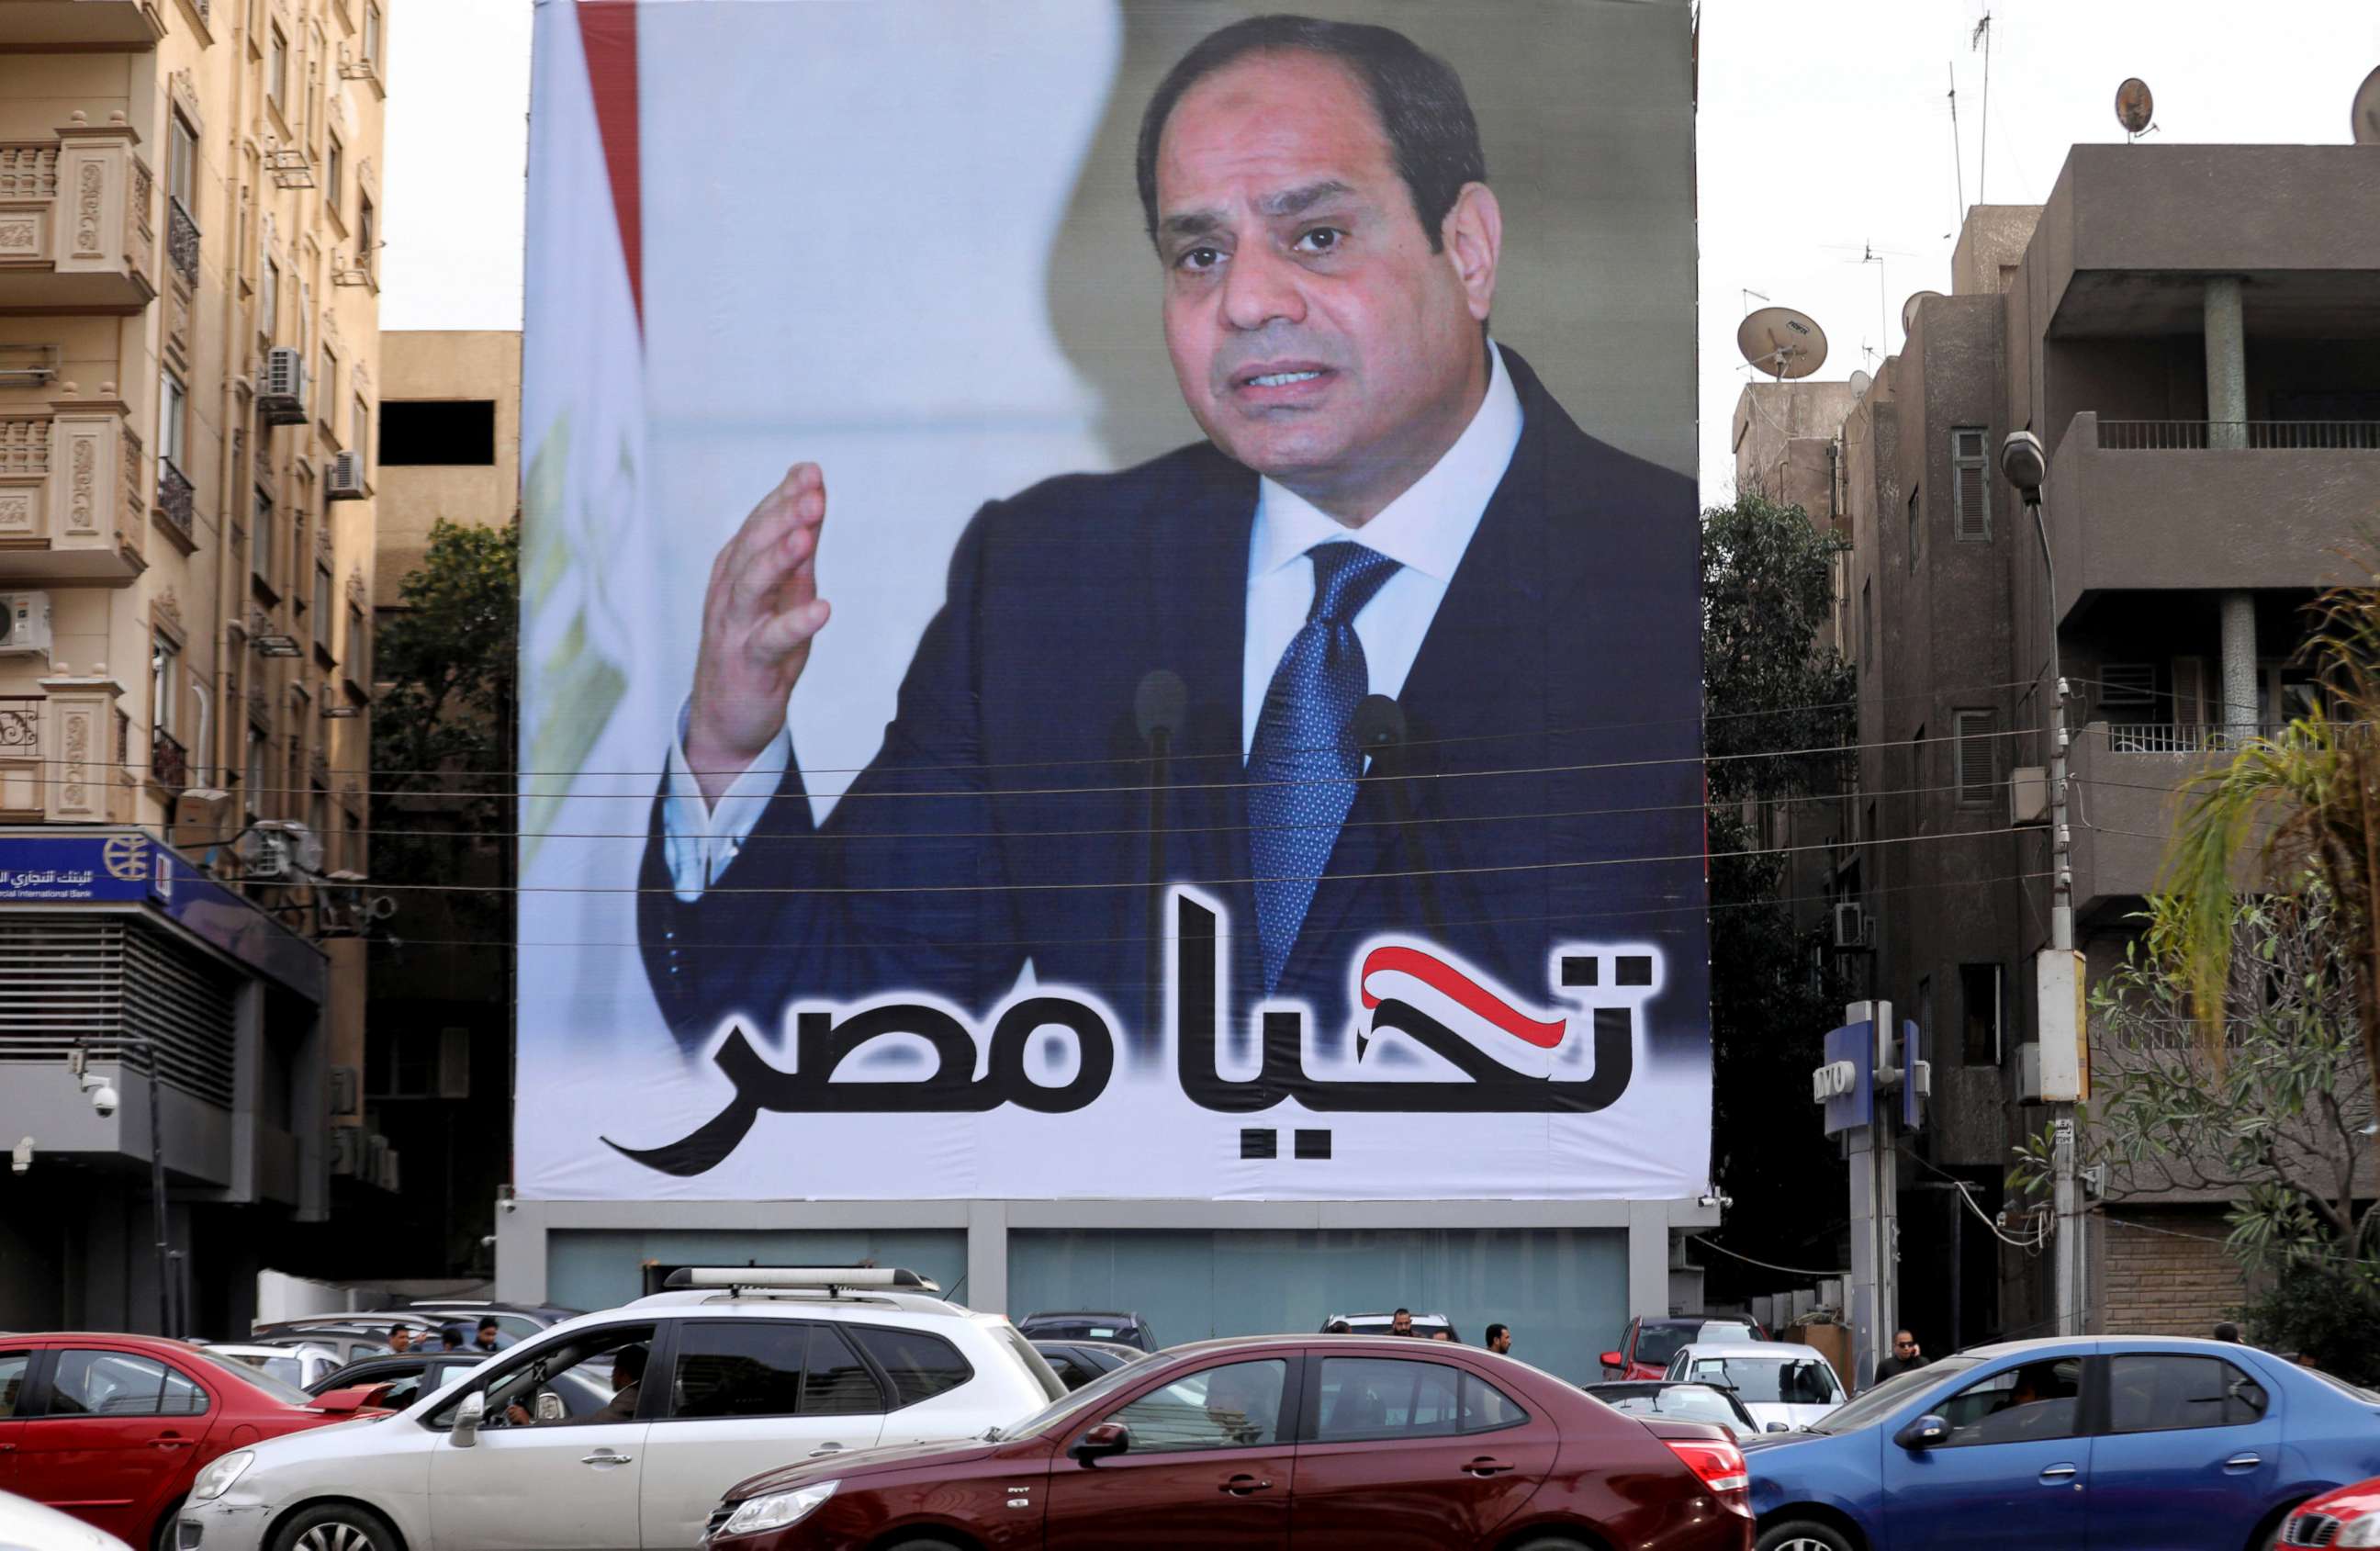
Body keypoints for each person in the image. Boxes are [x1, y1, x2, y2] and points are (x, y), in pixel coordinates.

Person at [636, 13, 1701, 1061]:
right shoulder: (1047, 586)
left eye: (1316, 237)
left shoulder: (1666, 581)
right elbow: (818, 1029)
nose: (1245, 301)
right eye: (1199, 252)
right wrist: (729, 749)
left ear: (1466, 249)